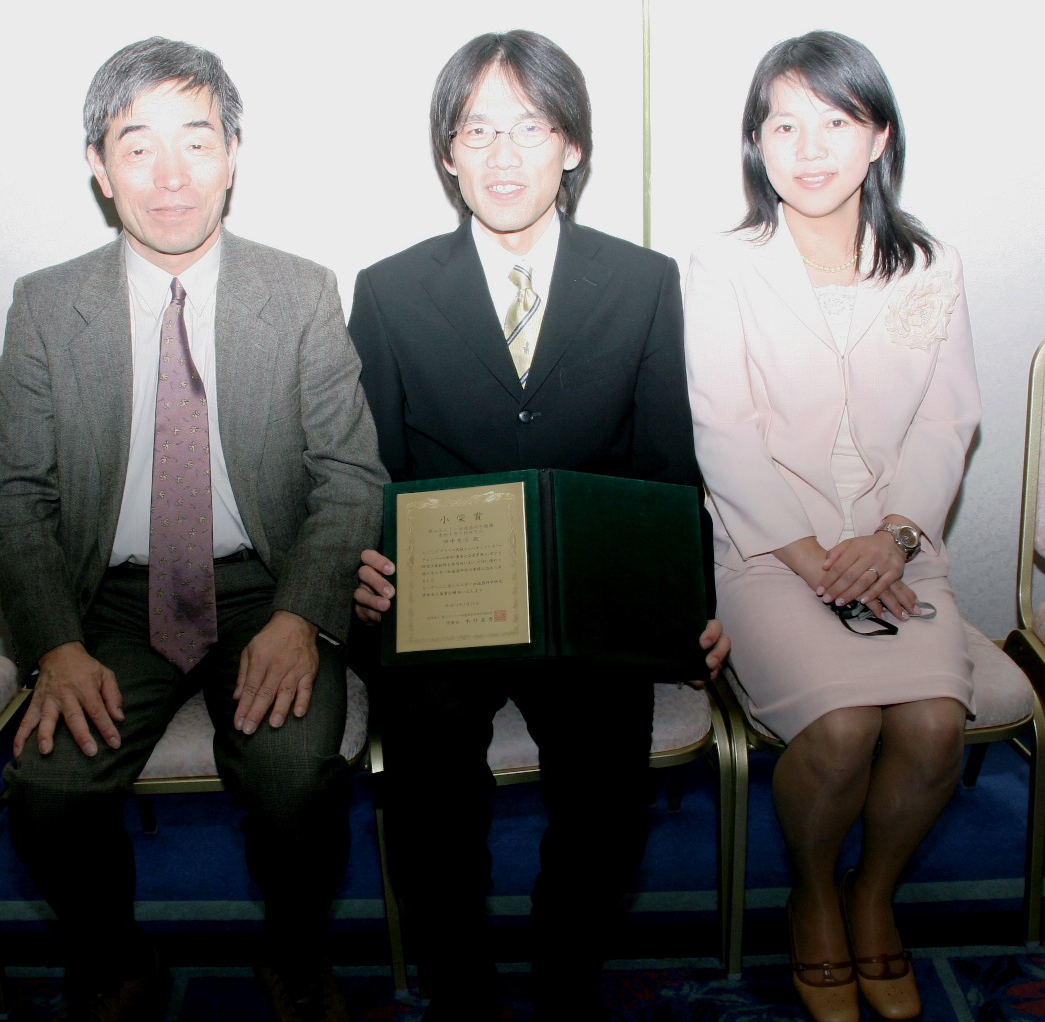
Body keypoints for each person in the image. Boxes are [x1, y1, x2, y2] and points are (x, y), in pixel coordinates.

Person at [0, 36, 387, 1022]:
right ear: (98, 165)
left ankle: (294, 955)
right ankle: (117, 962)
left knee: (296, 778)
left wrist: (303, 615)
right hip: (111, 603)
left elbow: (348, 475)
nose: (171, 177)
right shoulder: (46, 307)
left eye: (197, 143)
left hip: (265, 589)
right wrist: (55, 647)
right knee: (48, 792)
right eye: (138, 146)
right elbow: (15, 495)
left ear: (233, 155)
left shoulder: (300, 294)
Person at [348, 29, 729, 1022]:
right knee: (428, 783)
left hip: (587, 598)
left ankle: (566, 974)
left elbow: (665, 465)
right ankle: (461, 986)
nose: (504, 155)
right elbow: (368, 469)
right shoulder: (388, 290)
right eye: (478, 131)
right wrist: (362, 562)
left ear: (572, 145)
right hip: (444, 599)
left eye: (530, 127)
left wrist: (687, 608)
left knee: (607, 788)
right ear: (448, 154)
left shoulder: (643, 281)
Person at [684, 30, 980, 1022]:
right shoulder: (722, 266)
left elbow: (947, 420)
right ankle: (812, 893)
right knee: (844, 727)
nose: (810, 149)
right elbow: (723, 432)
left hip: (898, 547)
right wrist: (814, 558)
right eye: (785, 126)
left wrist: (894, 537)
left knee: (933, 726)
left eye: (837, 122)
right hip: (769, 552)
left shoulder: (930, 264)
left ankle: (872, 892)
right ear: (756, 142)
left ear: (879, 136)